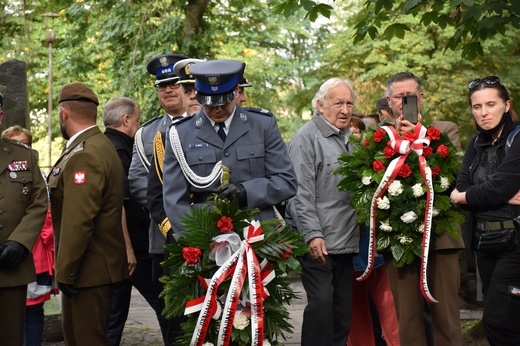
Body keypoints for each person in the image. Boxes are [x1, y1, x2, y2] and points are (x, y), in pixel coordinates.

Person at [162, 58, 297, 236]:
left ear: (236, 91)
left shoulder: (262, 125)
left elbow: (286, 181)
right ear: (198, 95)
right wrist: (197, 239)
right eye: (210, 103)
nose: (218, 109)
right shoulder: (179, 134)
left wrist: (246, 191)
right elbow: (174, 201)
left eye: (223, 101)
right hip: (207, 237)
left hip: (260, 237)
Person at [386, 72, 464, 345]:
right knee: (407, 321)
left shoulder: (445, 129)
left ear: (421, 98)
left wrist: (418, 136)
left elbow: (452, 175)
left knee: (447, 321)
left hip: (440, 237)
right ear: (389, 100)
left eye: (411, 96)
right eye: (399, 97)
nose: (405, 101)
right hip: (398, 240)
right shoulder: (379, 138)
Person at [48, 82, 128, 345]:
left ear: (64, 114)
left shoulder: (86, 154)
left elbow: (79, 221)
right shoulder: (96, 145)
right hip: (91, 270)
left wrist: (66, 271)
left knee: (85, 340)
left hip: (86, 272)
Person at [285, 77, 359, 346]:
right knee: (321, 308)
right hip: (318, 243)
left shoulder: (350, 138)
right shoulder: (306, 138)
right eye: (338, 102)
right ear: (320, 104)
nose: (345, 109)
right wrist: (312, 235)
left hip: (346, 242)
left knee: (341, 313)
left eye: (349, 103)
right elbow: (298, 194)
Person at [450, 76, 520, 345]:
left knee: (497, 324)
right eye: (477, 106)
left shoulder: (517, 138)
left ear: (506, 105)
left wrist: (466, 197)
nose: (484, 112)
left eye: (491, 104)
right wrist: (469, 195)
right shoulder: (475, 144)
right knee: (508, 321)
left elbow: (497, 188)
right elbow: (462, 186)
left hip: (514, 245)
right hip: (484, 245)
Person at [128, 52, 189, 345]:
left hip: (209, 234)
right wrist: (169, 212)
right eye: (161, 85)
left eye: (174, 83)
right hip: (163, 236)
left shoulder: (206, 121)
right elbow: (138, 181)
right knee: (171, 313)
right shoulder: (146, 133)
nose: (167, 90)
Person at [102, 97, 162, 345]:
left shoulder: (108, 146)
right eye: (137, 120)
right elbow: (119, 204)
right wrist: (128, 248)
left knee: (115, 316)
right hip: (132, 247)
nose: (138, 126)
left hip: (122, 246)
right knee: (165, 304)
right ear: (126, 120)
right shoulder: (118, 151)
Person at [0, 84, 48, 345]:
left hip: (11, 269)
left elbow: (38, 202)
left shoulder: (24, 156)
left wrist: (20, 241)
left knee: (11, 337)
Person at [346, 118, 400, 346]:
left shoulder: (375, 161)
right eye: (348, 131)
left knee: (388, 303)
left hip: (375, 244)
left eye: (356, 131)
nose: (352, 135)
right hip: (347, 244)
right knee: (355, 306)